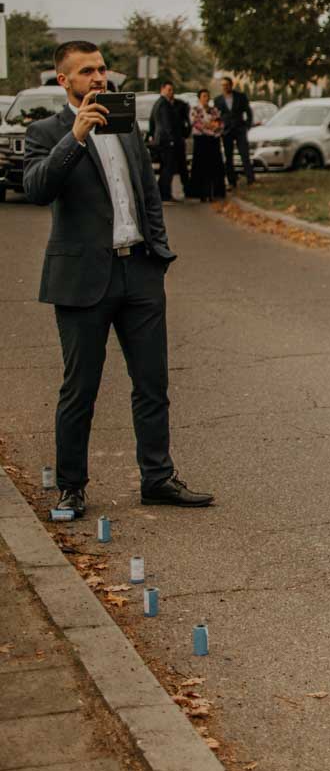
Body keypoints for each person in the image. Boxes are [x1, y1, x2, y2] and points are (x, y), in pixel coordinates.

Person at [21, 41, 214, 517]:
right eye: (87, 71)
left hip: (139, 272)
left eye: (103, 69)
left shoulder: (127, 127)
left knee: (152, 383)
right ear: (63, 80)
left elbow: (149, 194)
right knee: (79, 388)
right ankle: (71, 487)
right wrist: (77, 137)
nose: (99, 78)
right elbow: (37, 189)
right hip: (83, 279)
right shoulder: (45, 131)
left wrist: (158, 254)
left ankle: (158, 477)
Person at [147, 81, 190, 202]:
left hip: (162, 140)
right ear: (163, 89)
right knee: (168, 168)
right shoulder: (163, 104)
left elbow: (152, 123)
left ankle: (163, 192)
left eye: (172, 90)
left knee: (166, 168)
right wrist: (171, 140)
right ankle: (164, 193)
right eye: (169, 89)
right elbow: (166, 124)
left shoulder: (159, 103)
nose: (171, 92)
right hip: (167, 142)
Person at [187, 89, 227, 202]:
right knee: (201, 166)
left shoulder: (213, 110)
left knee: (214, 166)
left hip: (213, 141)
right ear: (199, 98)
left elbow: (219, 123)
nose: (206, 98)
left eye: (207, 96)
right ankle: (201, 193)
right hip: (201, 140)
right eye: (204, 96)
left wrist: (213, 127)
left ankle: (215, 192)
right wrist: (209, 127)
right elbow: (197, 123)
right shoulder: (195, 110)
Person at [216, 76, 255, 188]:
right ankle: (232, 181)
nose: (225, 87)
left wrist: (247, 125)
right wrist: (219, 128)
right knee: (228, 157)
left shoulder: (240, 97)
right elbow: (217, 116)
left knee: (244, 154)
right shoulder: (218, 100)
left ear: (231, 85)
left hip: (239, 129)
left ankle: (250, 178)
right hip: (227, 131)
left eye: (227, 85)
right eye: (223, 85)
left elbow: (248, 112)